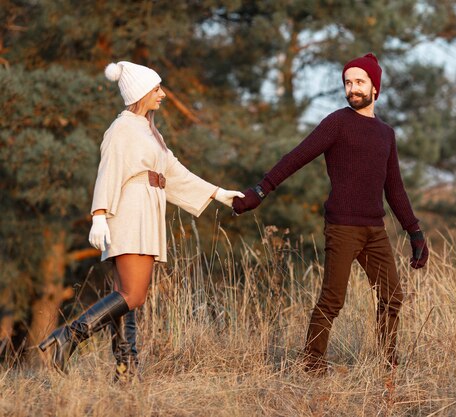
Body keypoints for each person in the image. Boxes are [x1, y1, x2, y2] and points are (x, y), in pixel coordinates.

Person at [38, 61, 244, 380]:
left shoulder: (149, 131)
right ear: (141, 93)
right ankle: (69, 336)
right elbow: (108, 171)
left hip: (146, 212)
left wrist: (218, 193)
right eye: (157, 89)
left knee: (126, 296)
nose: (162, 94)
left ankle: (126, 370)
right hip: (130, 212)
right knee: (135, 294)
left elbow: (174, 173)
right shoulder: (122, 128)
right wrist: (99, 216)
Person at [232, 53, 429, 373]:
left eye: (359, 82)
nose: (352, 88)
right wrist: (260, 190)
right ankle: (312, 365)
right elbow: (296, 157)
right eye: (348, 83)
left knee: (392, 297)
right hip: (342, 227)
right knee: (332, 300)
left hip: (375, 231)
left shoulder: (386, 134)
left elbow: (394, 189)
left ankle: (388, 365)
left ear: (375, 88)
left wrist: (415, 232)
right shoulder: (337, 123)